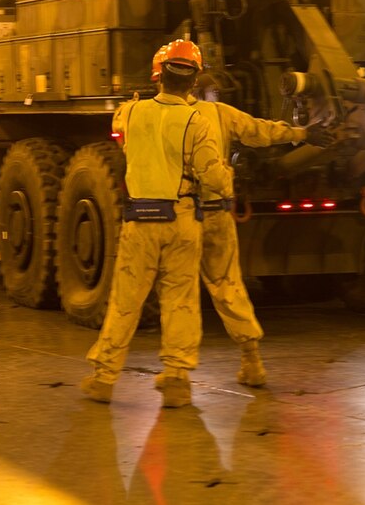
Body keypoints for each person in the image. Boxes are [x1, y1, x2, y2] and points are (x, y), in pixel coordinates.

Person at [149, 44, 335, 387]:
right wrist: (304, 134)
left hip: (179, 218)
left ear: (160, 78)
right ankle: (252, 361)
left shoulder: (151, 114)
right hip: (218, 215)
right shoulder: (218, 113)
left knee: (178, 292)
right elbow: (261, 131)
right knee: (228, 286)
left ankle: (176, 375)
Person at [82, 39, 234, 408]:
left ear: (157, 75)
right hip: (182, 221)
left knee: (125, 300)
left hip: (140, 220)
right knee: (180, 301)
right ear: (195, 80)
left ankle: (104, 378)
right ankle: (177, 381)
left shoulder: (130, 113)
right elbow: (213, 179)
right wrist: (227, 176)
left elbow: (120, 132)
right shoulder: (197, 121)